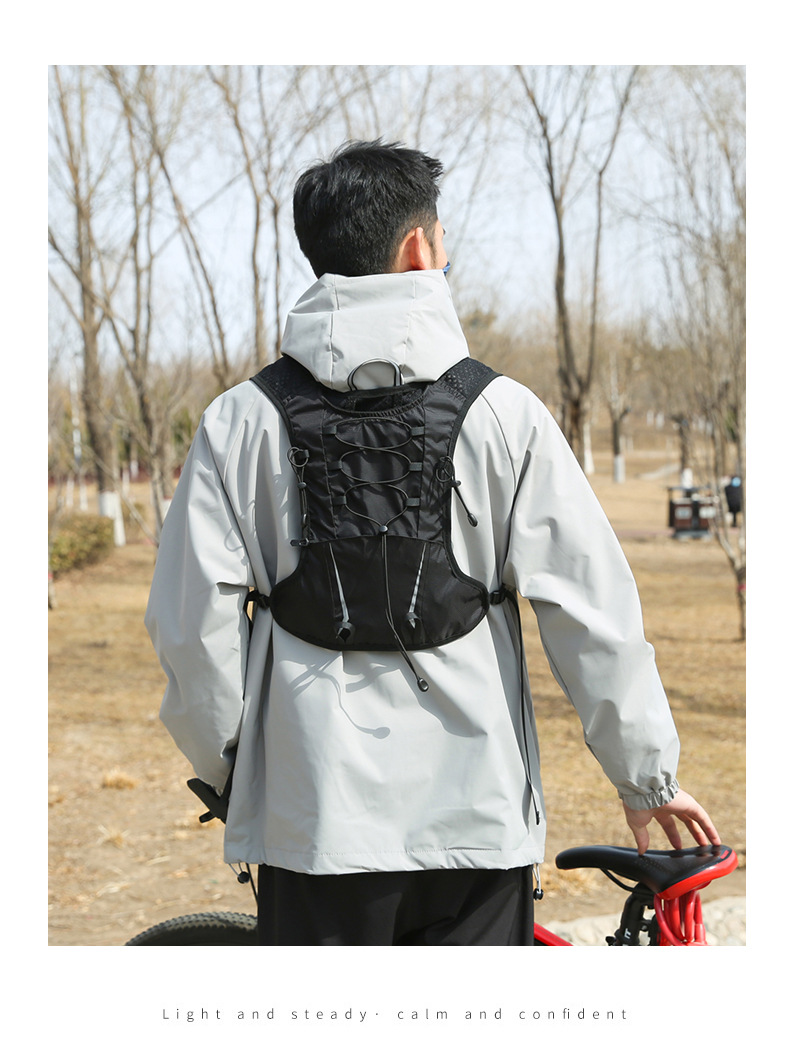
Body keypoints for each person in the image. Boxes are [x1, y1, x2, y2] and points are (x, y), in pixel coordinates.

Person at [145, 139, 720, 946]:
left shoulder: (239, 422)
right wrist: (646, 774)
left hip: (311, 819)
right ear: (421, 248)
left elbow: (189, 628)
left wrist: (238, 769)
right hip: (474, 820)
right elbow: (592, 611)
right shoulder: (505, 414)